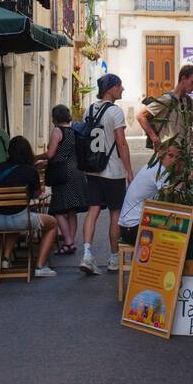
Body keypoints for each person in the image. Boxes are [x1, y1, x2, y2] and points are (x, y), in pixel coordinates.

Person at [80, 74, 133, 276]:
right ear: (110, 89)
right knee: (115, 213)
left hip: (92, 169)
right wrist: (128, 170)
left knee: (93, 211)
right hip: (113, 172)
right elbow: (121, 142)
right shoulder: (115, 112)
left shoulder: (90, 109)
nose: (122, 89)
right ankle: (113, 258)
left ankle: (86, 254)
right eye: (119, 86)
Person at [0, 135, 59, 277]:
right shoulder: (30, 170)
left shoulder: (0, 167)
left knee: (14, 218)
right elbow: (37, 195)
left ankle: (5, 259)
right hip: (20, 218)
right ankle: (40, 266)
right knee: (53, 224)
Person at [42, 104, 87, 254]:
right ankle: (70, 242)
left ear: (55, 118)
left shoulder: (57, 131)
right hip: (78, 172)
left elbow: (51, 154)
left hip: (63, 173)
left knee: (58, 209)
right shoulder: (75, 131)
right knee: (72, 210)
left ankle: (67, 241)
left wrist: (38, 157)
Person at [118, 144, 179, 246]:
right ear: (160, 154)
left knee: (170, 223)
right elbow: (171, 194)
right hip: (134, 228)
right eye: (170, 156)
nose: (173, 161)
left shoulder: (149, 166)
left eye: (176, 158)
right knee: (178, 229)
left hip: (127, 227)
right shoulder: (160, 172)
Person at [136, 65, 193, 151]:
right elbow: (140, 116)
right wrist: (154, 138)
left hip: (184, 154)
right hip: (167, 152)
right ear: (183, 79)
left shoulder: (190, 102)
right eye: (192, 82)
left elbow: (188, 128)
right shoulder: (167, 99)